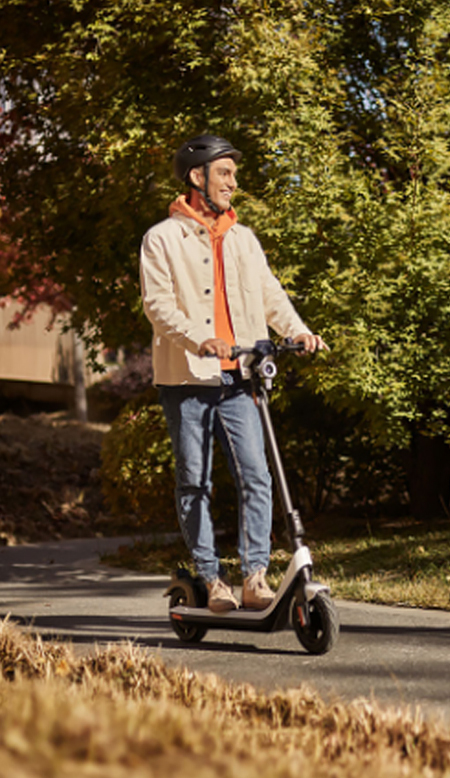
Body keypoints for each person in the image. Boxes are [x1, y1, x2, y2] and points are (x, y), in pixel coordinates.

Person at [140, 134, 327, 613]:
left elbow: (270, 293)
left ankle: (254, 576)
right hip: (187, 378)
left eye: (233, 175)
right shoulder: (162, 238)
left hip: (240, 378)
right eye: (224, 173)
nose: (233, 183)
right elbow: (157, 306)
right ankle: (210, 578)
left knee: (257, 476)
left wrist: (299, 331)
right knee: (194, 481)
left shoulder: (243, 238)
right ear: (196, 176)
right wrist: (195, 338)